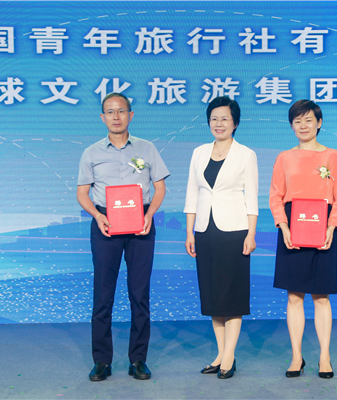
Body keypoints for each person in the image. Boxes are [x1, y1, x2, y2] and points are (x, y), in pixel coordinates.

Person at [77, 92, 170, 382]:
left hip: (140, 223)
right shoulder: (91, 153)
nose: (116, 116)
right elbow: (82, 193)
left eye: (121, 111)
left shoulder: (147, 148)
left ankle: (138, 359)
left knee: (139, 294)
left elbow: (160, 188)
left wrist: (149, 214)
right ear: (102, 117)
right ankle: (101, 361)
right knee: (103, 295)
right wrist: (97, 215)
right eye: (110, 111)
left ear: (131, 115)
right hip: (106, 224)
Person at [269, 100, 337, 379]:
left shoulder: (333, 157)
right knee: (294, 296)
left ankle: (324, 357)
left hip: (323, 226)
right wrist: (283, 226)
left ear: (319, 123)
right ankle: (296, 357)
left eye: (308, 120)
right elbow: (276, 196)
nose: (303, 126)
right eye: (297, 121)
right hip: (292, 227)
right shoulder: (284, 158)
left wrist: (331, 226)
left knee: (321, 296)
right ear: (291, 126)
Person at [184, 96, 258, 379]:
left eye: (225, 119)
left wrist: (251, 233)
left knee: (232, 295)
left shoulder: (246, 154)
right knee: (214, 296)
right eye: (214, 119)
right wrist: (189, 231)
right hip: (205, 231)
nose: (219, 123)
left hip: (235, 232)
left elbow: (252, 197)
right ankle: (220, 354)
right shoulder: (199, 152)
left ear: (235, 123)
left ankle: (229, 356)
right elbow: (192, 193)